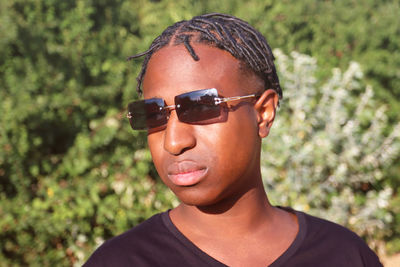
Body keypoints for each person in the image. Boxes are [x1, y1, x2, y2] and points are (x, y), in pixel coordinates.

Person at [84, 13, 382, 267]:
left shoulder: (343, 255)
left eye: (200, 106)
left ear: (263, 113)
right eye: (153, 115)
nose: (173, 142)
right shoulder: (120, 261)